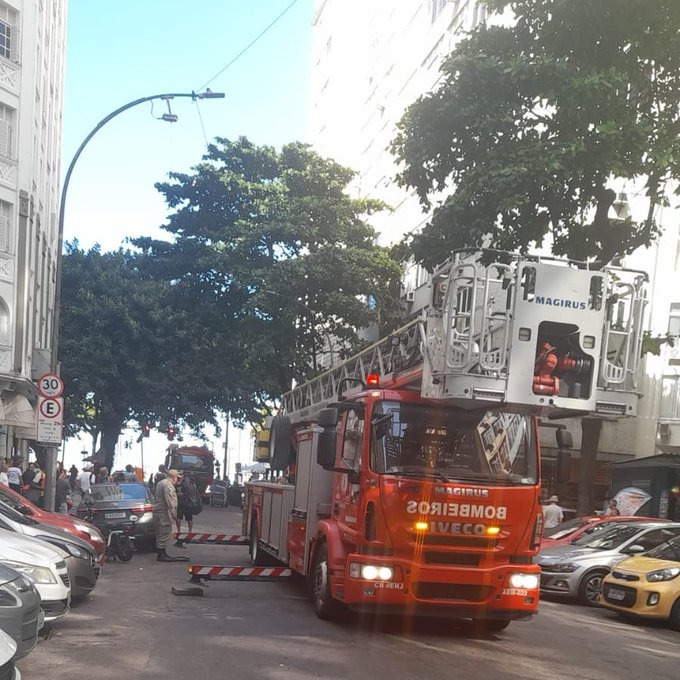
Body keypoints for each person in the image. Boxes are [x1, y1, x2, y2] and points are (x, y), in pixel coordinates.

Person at [152, 469, 186, 562]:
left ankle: (162, 553)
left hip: (158, 512)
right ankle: (161, 555)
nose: (177, 480)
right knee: (164, 532)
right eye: (177, 478)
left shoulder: (161, 483)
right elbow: (169, 500)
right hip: (163, 512)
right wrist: (173, 513)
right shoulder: (168, 485)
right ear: (174, 477)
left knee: (160, 533)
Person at [174, 474, 198, 545]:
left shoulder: (179, 483)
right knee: (189, 518)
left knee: (179, 518)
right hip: (189, 503)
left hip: (181, 503)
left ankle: (179, 531)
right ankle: (190, 532)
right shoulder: (191, 483)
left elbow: (177, 490)